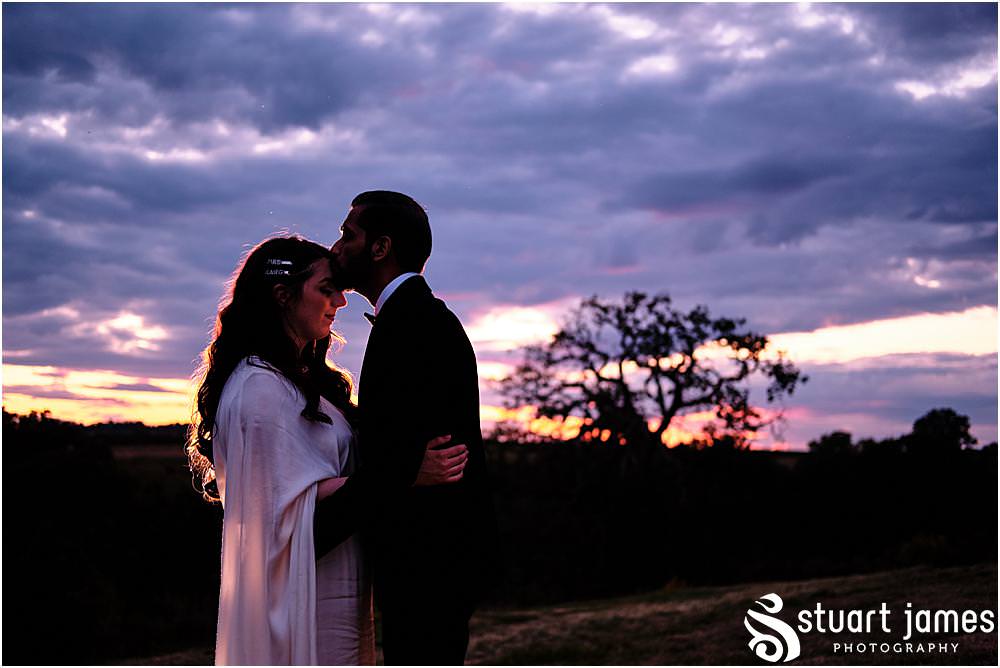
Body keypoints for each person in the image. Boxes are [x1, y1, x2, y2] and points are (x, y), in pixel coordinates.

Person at [186, 235, 468, 665]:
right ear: (283, 296)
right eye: (326, 288)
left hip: (338, 584)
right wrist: (404, 473)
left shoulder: (300, 382)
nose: (340, 300)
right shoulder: (259, 390)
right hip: (300, 598)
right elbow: (285, 515)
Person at [313, 191, 500, 665]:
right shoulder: (413, 319)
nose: (337, 247)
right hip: (426, 561)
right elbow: (402, 452)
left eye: (347, 234)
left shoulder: (416, 325)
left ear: (381, 248)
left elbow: (411, 457)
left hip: (429, 563)